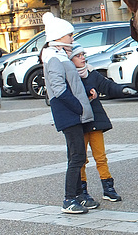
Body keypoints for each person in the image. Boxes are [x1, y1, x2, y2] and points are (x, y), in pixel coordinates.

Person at [40, 12, 97, 214]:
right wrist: (78, 106)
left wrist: (84, 97)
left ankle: (79, 195)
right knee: (77, 156)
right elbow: (59, 89)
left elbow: (69, 84)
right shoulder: (54, 57)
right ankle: (69, 199)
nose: (72, 38)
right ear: (59, 36)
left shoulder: (59, 55)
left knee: (77, 155)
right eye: (69, 35)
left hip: (73, 112)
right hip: (69, 113)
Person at [69, 43, 136, 204]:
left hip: (95, 120)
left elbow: (107, 86)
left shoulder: (91, 73)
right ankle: (83, 190)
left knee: (101, 156)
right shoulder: (69, 75)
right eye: (78, 56)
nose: (83, 58)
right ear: (70, 60)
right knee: (81, 159)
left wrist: (123, 89)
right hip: (79, 121)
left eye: (83, 54)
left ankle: (108, 188)